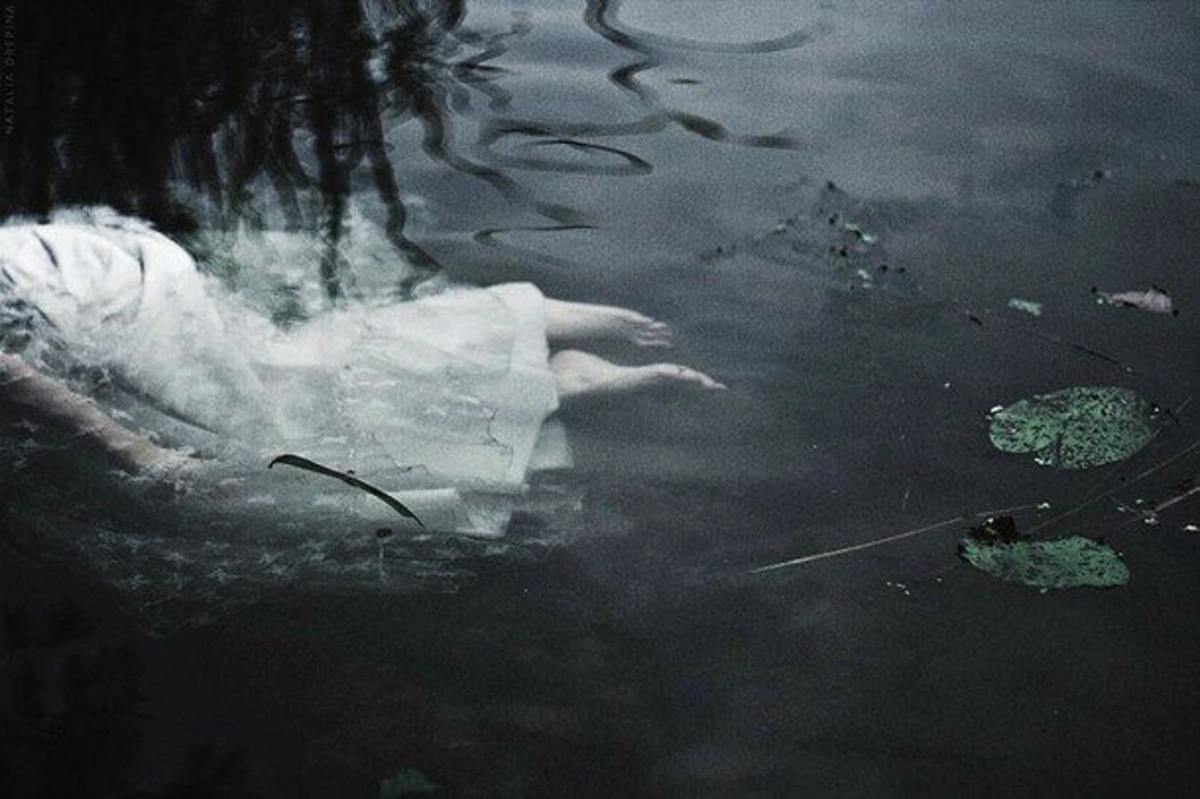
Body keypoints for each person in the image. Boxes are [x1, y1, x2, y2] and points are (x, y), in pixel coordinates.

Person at [0, 208, 724, 537]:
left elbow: (14, 375)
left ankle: (552, 378)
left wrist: (134, 451)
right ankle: (540, 329)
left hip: (117, 319)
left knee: (275, 431)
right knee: (298, 355)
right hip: (114, 262)